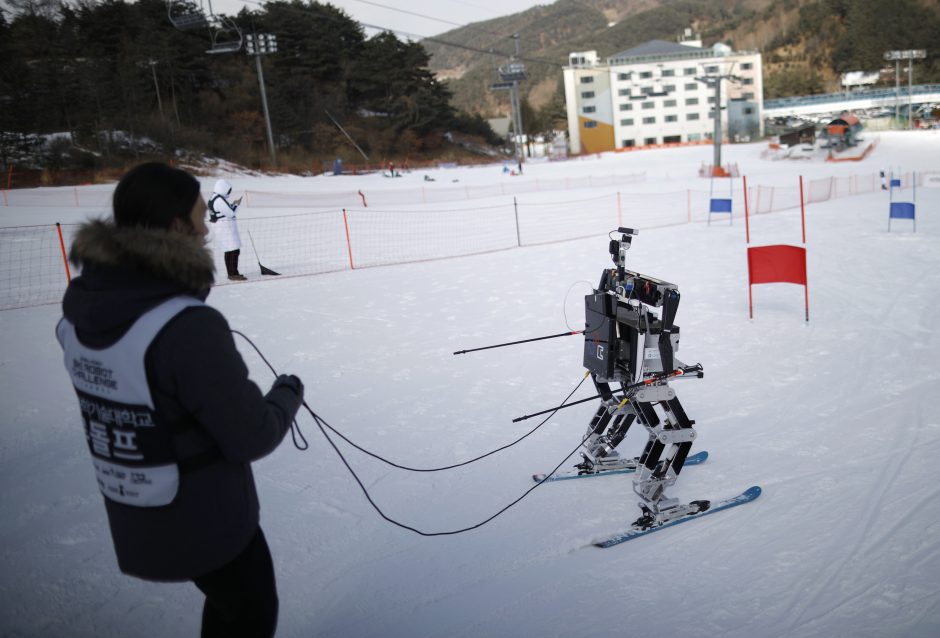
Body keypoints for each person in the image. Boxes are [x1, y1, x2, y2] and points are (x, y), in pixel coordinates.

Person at [56, 162, 305, 638]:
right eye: (199, 214)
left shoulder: (80, 315)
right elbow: (250, 435)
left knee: (228, 602)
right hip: (206, 519)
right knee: (249, 608)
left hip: (133, 510)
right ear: (176, 227)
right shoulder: (185, 325)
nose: (207, 225)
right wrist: (288, 394)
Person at [209, 179, 246, 281]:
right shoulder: (219, 200)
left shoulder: (214, 197)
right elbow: (230, 213)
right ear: (223, 189)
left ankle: (232, 273)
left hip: (222, 227)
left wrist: (233, 205)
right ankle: (233, 274)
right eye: (228, 190)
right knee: (234, 250)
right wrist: (237, 204)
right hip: (225, 228)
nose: (229, 192)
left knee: (230, 250)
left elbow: (225, 210)